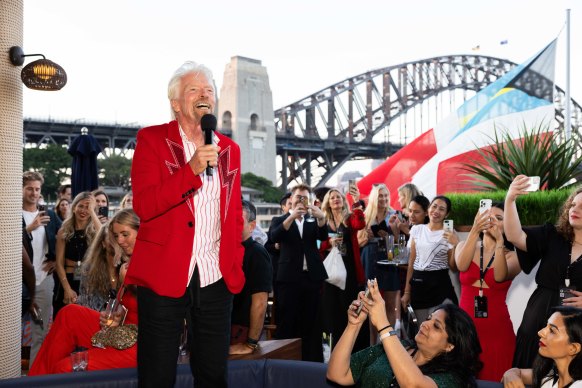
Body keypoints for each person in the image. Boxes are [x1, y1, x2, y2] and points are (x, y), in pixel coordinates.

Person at [125, 61, 244, 388]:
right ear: (176, 104)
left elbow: (233, 215)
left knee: (213, 374)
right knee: (157, 375)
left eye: (209, 90)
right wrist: (190, 169)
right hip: (163, 275)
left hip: (215, 277)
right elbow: (145, 206)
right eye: (194, 89)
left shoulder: (230, 150)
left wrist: (234, 261)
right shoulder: (151, 140)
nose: (204, 94)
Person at [327, 279, 482, 388]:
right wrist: (354, 325)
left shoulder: (452, 379)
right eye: (428, 318)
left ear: (450, 346)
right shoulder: (399, 347)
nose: (425, 324)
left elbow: (413, 384)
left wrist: (383, 324)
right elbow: (336, 374)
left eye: (436, 326)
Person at [504, 176, 582, 368]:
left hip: (575, 327)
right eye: (573, 204)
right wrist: (510, 199)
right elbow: (515, 236)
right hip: (538, 316)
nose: (575, 209)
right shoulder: (552, 235)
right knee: (526, 371)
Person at [28, 260, 138, 375]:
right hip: (121, 328)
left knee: (65, 367)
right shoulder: (130, 259)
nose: (121, 241)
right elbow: (124, 304)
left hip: (140, 343)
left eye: (126, 239)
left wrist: (128, 280)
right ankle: (36, 381)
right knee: (69, 313)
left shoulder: (151, 261)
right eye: (116, 239)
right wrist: (117, 315)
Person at [455, 202, 521, 381]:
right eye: (487, 215)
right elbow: (461, 264)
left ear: (507, 225)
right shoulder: (463, 246)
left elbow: (500, 276)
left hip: (497, 333)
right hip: (464, 329)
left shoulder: (513, 256)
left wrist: (500, 243)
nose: (491, 220)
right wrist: (474, 231)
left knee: (495, 379)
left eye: (498, 218)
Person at [270, 183, 328, 361]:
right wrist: (291, 217)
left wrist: (322, 219)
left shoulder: (312, 219)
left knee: (312, 322)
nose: (301, 201)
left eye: (304, 198)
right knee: (288, 320)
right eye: (298, 197)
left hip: (311, 278)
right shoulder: (279, 220)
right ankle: (286, 362)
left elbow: (323, 236)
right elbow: (274, 237)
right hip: (288, 279)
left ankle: (313, 363)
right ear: (291, 200)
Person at [319, 187, 367, 352]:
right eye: (332, 197)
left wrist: (356, 202)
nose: (335, 199)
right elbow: (316, 244)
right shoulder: (323, 222)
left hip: (350, 271)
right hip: (330, 272)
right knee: (332, 312)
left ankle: (355, 350)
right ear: (328, 203)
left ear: (343, 200)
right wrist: (327, 244)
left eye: (338, 196)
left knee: (350, 308)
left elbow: (360, 223)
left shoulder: (349, 219)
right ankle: (336, 350)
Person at [22, 171, 62, 365]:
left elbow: (65, 236)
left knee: (40, 330)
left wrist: (56, 261)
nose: (34, 193)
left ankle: (34, 375)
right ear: (21, 189)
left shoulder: (50, 215)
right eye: (29, 188)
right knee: (10, 330)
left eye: (37, 189)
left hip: (44, 278)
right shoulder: (11, 214)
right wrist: (29, 228)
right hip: (19, 282)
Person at [401, 195, 458, 325]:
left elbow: (453, 267)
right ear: (428, 209)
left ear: (446, 214)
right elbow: (412, 262)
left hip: (440, 286)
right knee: (421, 329)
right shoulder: (417, 229)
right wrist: (407, 292)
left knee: (441, 328)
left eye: (442, 209)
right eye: (434, 206)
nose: (436, 211)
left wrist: (455, 245)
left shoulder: (450, 233)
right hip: (418, 286)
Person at [357, 183, 400, 342]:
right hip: (370, 258)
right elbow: (359, 243)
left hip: (388, 259)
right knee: (371, 302)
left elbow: (399, 245)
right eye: (380, 195)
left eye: (386, 196)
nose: (383, 199)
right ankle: (372, 342)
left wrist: (389, 234)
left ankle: (388, 341)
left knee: (390, 302)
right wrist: (366, 237)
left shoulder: (394, 214)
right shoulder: (366, 215)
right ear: (375, 197)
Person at [229, 200, 272, 354]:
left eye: (238, 221)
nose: (231, 224)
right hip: (220, 329)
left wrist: (251, 343)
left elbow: (260, 302)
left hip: (239, 331)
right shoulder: (224, 250)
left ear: (252, 226)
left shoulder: (257, 253)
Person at [502, 306, 582, 388]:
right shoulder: (550, 376)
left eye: (552, 330)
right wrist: (511, 374)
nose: (540, 332)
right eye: (546, 326)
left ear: (573, 348)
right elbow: (521, 373)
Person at [53, 191, 101, 317]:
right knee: (65, 318)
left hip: (90, 281)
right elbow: (58, 263)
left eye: (88, 207)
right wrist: (67, 289)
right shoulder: (64, 230)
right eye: (81, 206)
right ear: (74, 207)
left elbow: (104, 237)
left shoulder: (94, 230)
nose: (84, 210)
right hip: (68, 279)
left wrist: (93, 212)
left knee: (86, 320)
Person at [76, 223, 125, 311]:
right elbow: (86, 301)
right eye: (111, 238)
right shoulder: (90, 268)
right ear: (103, 243)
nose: (115, 242)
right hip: (94, 317)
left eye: (116, 237)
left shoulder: (128, 267)